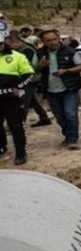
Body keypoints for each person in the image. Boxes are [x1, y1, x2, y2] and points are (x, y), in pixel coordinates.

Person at [37, 30, 81, 150]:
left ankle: (72, 139)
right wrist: (40, 65)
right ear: (43, 42)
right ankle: (68, 135)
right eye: (48, 40)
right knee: (59, 116)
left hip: (69, 88)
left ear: (58, 38)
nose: (52, 42)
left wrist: (66, 71)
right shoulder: (40, 53)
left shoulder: (70, 51)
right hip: (50, 90)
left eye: (54, 39)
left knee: (70, 114)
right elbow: (32, 68)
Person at [0, 33, 34, 165]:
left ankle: (21, 153)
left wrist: (17, 87)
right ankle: (1, 147)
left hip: (12, 98)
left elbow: (28, 74)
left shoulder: (17, 56)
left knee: (16, 126)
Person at [5, 31, 52, 126]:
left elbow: (29, 68)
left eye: (9, 44)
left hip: (30, 79)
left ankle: (18, 124)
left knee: (24, 101)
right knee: (32, 100)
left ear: (14, 41)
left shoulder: (26, 50)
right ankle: (44, 118)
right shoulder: (22, 50)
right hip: (27, 79)